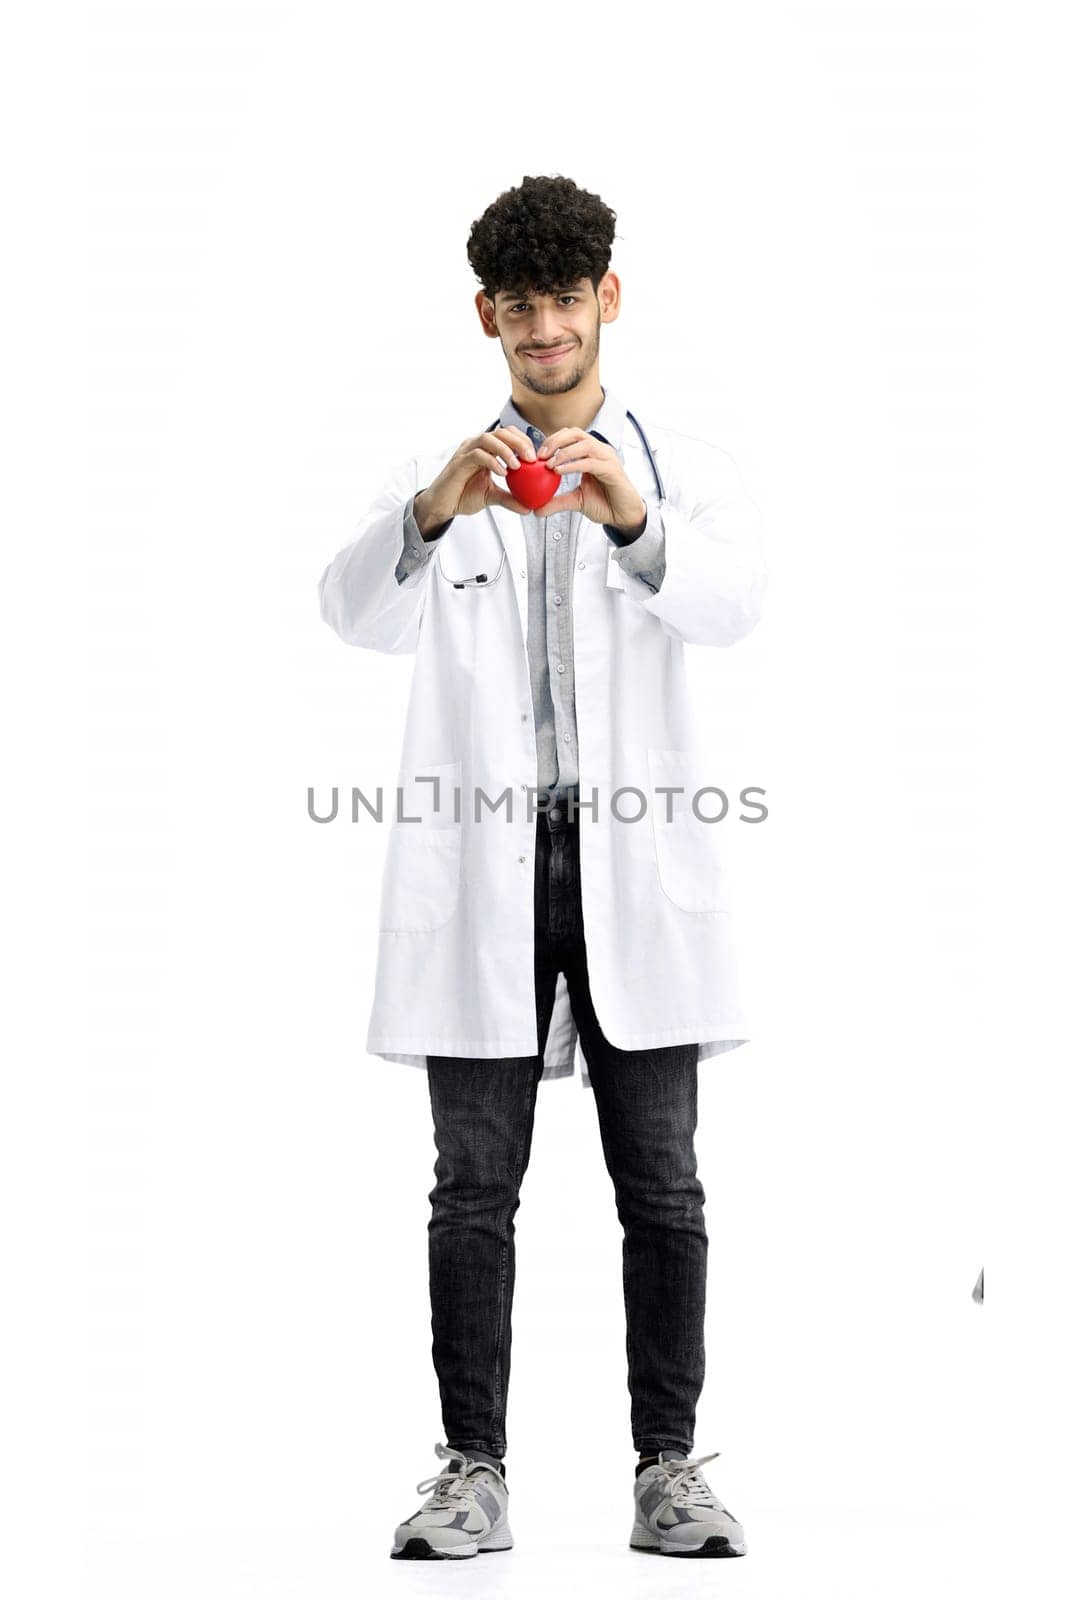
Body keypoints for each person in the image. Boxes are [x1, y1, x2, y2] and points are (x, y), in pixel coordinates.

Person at [317, 175, 766, 1560]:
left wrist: (634, 520)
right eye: (521, 308)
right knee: (472, 1184)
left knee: (665, 1182)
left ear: (606, 301)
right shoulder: (438, 472)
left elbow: (737, 607)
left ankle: (669, 1470)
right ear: (488, 318)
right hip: (486, 875)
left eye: (568, 301)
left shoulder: (671, 463)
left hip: (634, 862)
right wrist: (432, 513)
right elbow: (351, 615)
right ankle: (472, 1471)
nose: (546, 329)